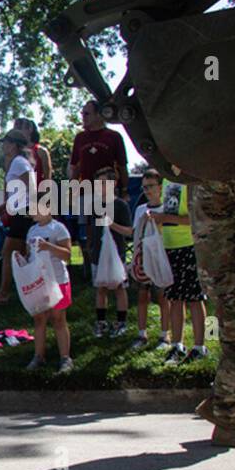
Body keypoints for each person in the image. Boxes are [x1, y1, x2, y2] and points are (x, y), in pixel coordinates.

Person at [189, 181, 235, 447]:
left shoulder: (200, 165)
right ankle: (226, 423)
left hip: (222, 270)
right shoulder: (231, 167)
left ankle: (220, 403)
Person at [148, 182, 207, 364]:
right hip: (169, 246)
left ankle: (199, 347)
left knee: (195, 298)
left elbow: (194, 218)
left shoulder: (190, 181)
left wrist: (164, 217)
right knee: (174, 299)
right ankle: (177, 345)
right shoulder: (166, 181)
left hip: (189, 245)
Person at [0, 129, 38, 304]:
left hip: (24, 213)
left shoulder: (19, 162)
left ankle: (4, 293)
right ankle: (30, 289)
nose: (3, 146)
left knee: (8, 252)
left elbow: (30, 188)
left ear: (14, 144)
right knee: (23, 253)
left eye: (6, 142)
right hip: (22, 212)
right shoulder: (19, 162)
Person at [122, 169, 173, 350]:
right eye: (144, 187)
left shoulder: (167, 208)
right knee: (142, 295)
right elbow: (135, 233)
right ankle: (141, 334)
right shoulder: (140, 209)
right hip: (144, 257)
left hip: (162, 257)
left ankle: (164, 334)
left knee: (162, 296)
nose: (147, 190)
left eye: (151, 186)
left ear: (160, 187)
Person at [24, 198, 75, 373]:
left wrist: (48, 247)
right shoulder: (31, 230)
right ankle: (39, 356)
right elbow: (29, 254)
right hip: (39, 282)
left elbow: (68, 255)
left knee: (58, 318)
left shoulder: (58, 228)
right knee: (39, 319)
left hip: (57, 280)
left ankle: (65, 358)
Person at [87, 166, 132, 338]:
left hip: (116, 253)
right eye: (98, 183)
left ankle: (121, 322)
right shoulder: (95, 205)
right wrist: (90, 247)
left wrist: (111, 224)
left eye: (104, 182)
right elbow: (92, 227)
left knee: (119, 287)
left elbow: (129, 231)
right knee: (101, 287)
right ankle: (101, 321)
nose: (101, 186)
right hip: (98, 252)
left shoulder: (120, 205)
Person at [69, 99, 128, 184]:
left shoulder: (114, 136)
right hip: (85, 192)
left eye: (87, 114)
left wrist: (125, 190)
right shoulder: (80, 138)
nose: (83, 117)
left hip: (108, 191)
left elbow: (122, 167)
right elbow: (75, 168)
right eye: (82, 114)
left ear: (99, 115)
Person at [14, 117, 53, 184]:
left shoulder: (41, 151)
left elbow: (48, 180)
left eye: (20, 128)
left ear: (30, 129)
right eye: (15, 130)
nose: (17, 132)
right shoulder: (14, 152)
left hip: (36, 193)